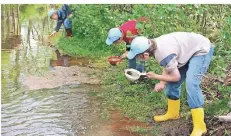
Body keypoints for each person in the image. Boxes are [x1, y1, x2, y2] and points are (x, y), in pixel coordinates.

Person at [127, 32, 214, 136]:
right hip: (187, 52)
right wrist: (162, 82)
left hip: (200, 50)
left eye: (138, 57)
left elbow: (175, 76)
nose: (138, 59)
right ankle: (173, 113)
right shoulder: (154, 45)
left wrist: (156, 76)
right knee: (171, 86)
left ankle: (200, 126)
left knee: (191, 84)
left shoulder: (162, 52)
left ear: (145, 55)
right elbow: (167, 65)